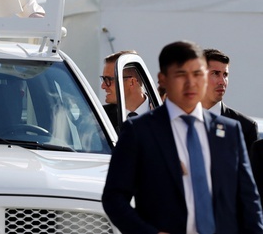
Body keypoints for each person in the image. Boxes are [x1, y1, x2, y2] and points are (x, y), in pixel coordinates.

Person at [102, 40, 263, 234]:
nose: (190, 83)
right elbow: (114, 198)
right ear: (163, 80)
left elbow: (249, 201)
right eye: (181, 74)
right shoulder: (139, 131)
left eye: (197, 74)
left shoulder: (230, 131)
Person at [201, 48, 258, 153]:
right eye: (215, 73)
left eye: (225, 75)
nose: (222, 81)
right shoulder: (178, 119)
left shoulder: (245, 127)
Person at [99, 50, 147, 133]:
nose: (103, 86)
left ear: (131, 82)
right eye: (103, 79)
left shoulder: (165, 115)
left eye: (108, 80)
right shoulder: (100, 117)